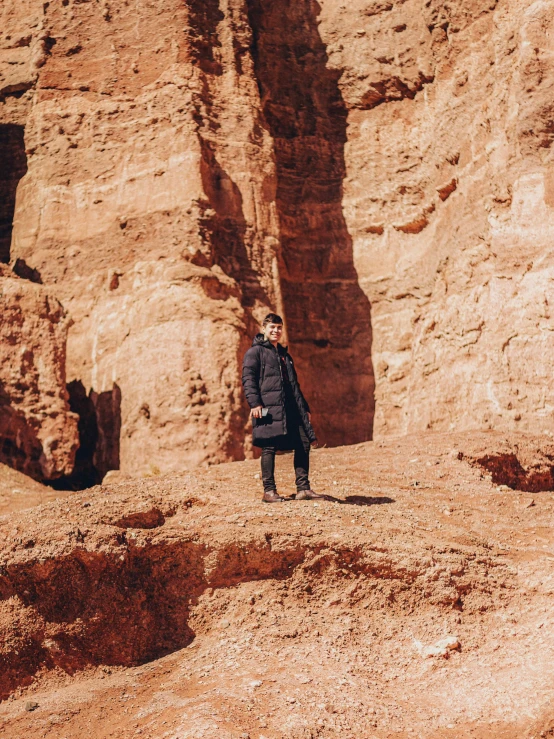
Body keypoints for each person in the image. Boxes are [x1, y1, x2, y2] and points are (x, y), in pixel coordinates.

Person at [242, 313, 324, 503]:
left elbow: (294, 385)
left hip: (290, 408)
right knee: (268, 446)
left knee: (303, 442)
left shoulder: (285, 356)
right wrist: (255, 403)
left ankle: (303, 488)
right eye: (272, 327)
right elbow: (248, 379)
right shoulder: (255, 352)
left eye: (279, 328)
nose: (276, 331)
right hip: (266, 407)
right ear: (264, 328)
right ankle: (269, 491)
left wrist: (304, 407)